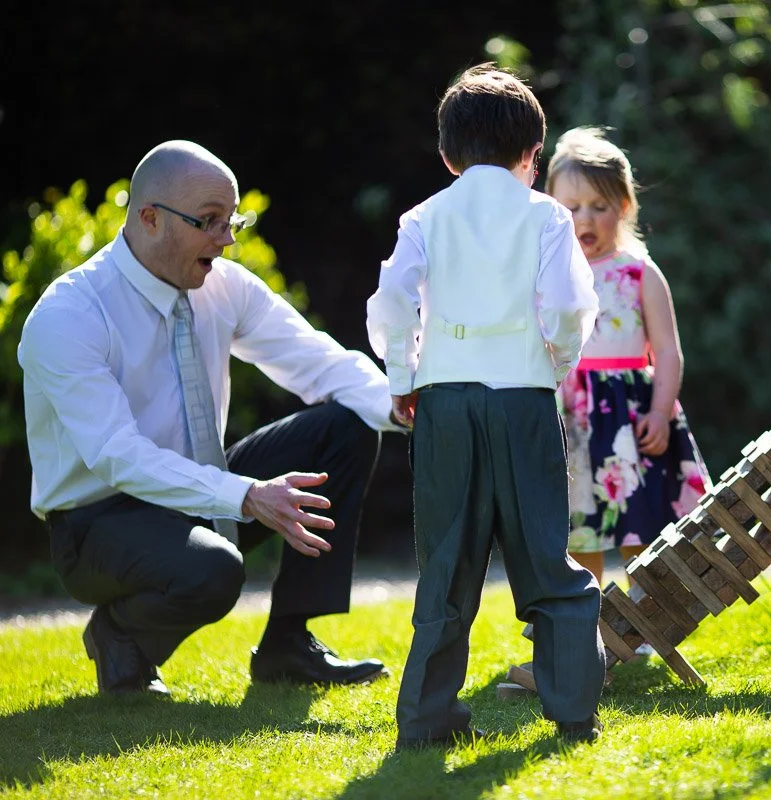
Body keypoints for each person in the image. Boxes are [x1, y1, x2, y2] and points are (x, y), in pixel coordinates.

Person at [18, 140, 402, 697]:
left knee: (347, 425)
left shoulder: (226, 286)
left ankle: (288, 645)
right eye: (209, 221)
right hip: (96, 524)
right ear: (149, 218)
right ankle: (118, 635)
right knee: (216, 569)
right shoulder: (69, 314)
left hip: (195, 490)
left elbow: (320, 362)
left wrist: (407, 406)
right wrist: (246, 494)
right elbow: (116, 455)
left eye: (232, 221)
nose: (226, 239)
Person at [366, 65, 606, 748]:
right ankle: (572, 713)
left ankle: (426, 719)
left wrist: (402, 373)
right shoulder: (546, 216)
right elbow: (566, 306)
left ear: (446, 154)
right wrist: (554, 362)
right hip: (523, 399)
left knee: (445, 560)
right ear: (533, 155)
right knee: (546, 558)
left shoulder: (424, 215)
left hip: (443, 401)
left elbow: (390, 301)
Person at [546, 127, 710, 590]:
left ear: (624, 207)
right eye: (572, 208)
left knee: (638, 519)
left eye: (600, 207)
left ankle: (645, 619)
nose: (586, 219)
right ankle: (585, 619)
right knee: (580, 528)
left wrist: (660, 412)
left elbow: (668, 351)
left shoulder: (639, 272)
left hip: (629, 416)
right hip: (570, 415)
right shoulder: (547, 274)